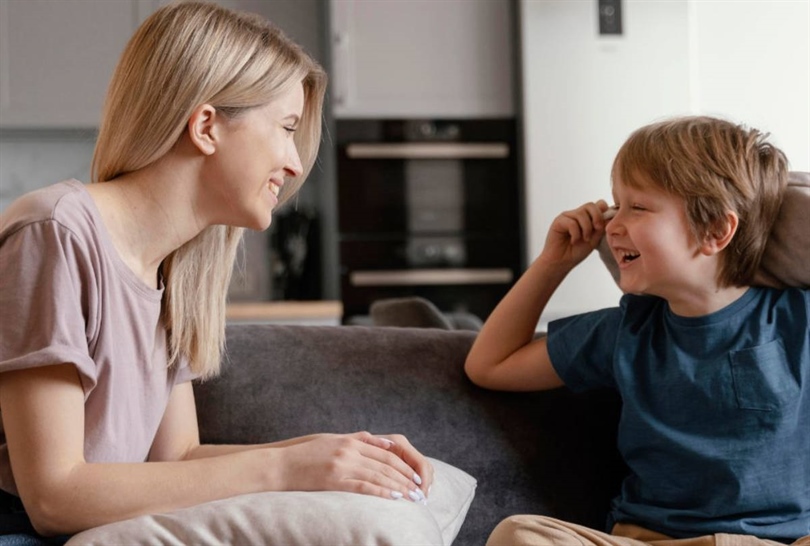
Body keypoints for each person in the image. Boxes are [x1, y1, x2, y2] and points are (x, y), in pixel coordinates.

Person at [0, 2, 432, 543]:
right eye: (286, 128)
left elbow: (177, 458)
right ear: (206, 126)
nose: (296, 164)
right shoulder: (57, 233)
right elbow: (53, 495)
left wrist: (334, 452)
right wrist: (286, 470)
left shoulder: (170, 270)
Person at [465, 116, 809, 545]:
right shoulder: (625, 330)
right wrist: (554, 263)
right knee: (518, 534)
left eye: (638, 207)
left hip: (776, 542)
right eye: (616, 204)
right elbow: (489, 365)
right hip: (649, 540)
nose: (611, 224)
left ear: (717, 230)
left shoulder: (799, 321)